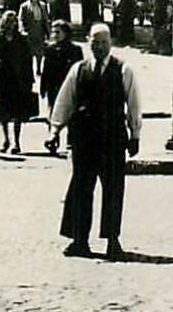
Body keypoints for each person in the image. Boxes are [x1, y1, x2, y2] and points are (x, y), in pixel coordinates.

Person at [47, 22, 141, 260]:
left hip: (112, 139)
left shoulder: (123, 70)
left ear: (110, 44)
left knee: (112, 189)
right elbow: (64, 102)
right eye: (94, 43)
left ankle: (112, 241)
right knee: (80, 188)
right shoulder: (79, 70)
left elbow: (134, 104)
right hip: (84, 139)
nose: (98, 47)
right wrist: (54, 131)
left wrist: (135, 134)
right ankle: (79, 240)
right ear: (88, 43)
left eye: (103, 43)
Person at [0, 9, 38, 154]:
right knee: (3, 112)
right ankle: (6, 140)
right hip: (2, 78)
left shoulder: (22, 39)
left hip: (18, 79)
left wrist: (29, 80)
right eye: (8, 21)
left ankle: (16, 142)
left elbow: (28, 60)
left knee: (17, 113)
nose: (11, 24)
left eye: (13, 21)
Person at [40, 19, 82, 114]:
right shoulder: (50, 49)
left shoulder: (75, 50)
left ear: (66, 33)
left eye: (58, 32)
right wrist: (43, 87)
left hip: (69, 86)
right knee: (54, 112)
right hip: (54, 87)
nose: (55, 35)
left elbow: (80, 70)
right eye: (53, 32)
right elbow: (46, 69)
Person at [24, 0, 48, 74]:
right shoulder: (24, 6)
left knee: (40, 51)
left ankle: (38, 68)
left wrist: (48, 31)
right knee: (29, 52)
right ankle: (29, 69)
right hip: (30, 31)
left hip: (39, 31)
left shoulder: (42, 5)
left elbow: (46, 19)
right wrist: (22, 30)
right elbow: (20, 19)